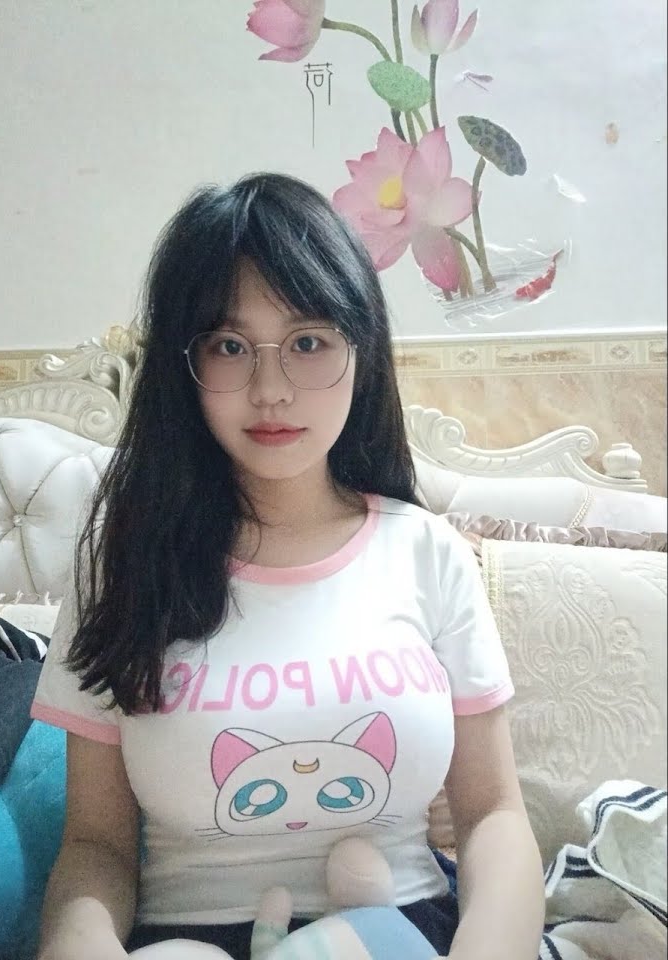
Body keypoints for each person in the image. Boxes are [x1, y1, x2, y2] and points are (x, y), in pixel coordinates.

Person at [32, 172, 545, 960]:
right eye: (229, 346)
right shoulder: (124, 563)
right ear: (183, 364)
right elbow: (96, 844)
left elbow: (493, 815)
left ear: (361, 350)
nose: (270, 390)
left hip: (398, 934)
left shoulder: (426, 552)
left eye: (308, 342)